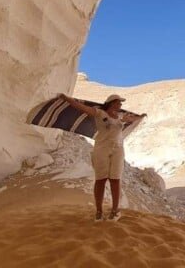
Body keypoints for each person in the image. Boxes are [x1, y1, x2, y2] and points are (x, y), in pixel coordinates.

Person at [58, 93, 144, 222]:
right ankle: (99, 211)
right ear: (112, 102)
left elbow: (132, 119)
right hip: (101, 149)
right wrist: (67, 99)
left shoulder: (121, 116)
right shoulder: (99, 113)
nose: (121, 104)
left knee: (115, 179)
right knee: (101, 179)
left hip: (118, 150)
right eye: (119, 102)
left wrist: (141, 116)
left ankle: (115, 211)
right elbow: (81, 107)